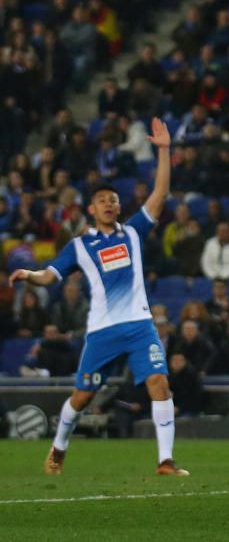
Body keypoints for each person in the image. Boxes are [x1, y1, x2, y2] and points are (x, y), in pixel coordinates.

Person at [11, 118, 188, 476]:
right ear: (91, 209)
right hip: (103, 331)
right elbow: (50, 276)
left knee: (159, 383)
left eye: (113, 199)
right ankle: (58, 448)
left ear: (119, 207)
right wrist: (30, 275)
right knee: (83, 397)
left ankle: (165, 461)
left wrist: (165, 150)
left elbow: (160, 195)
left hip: (139, 325)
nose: (108, 204)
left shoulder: (134, 232)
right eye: (101, 200)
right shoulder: (79, 246)